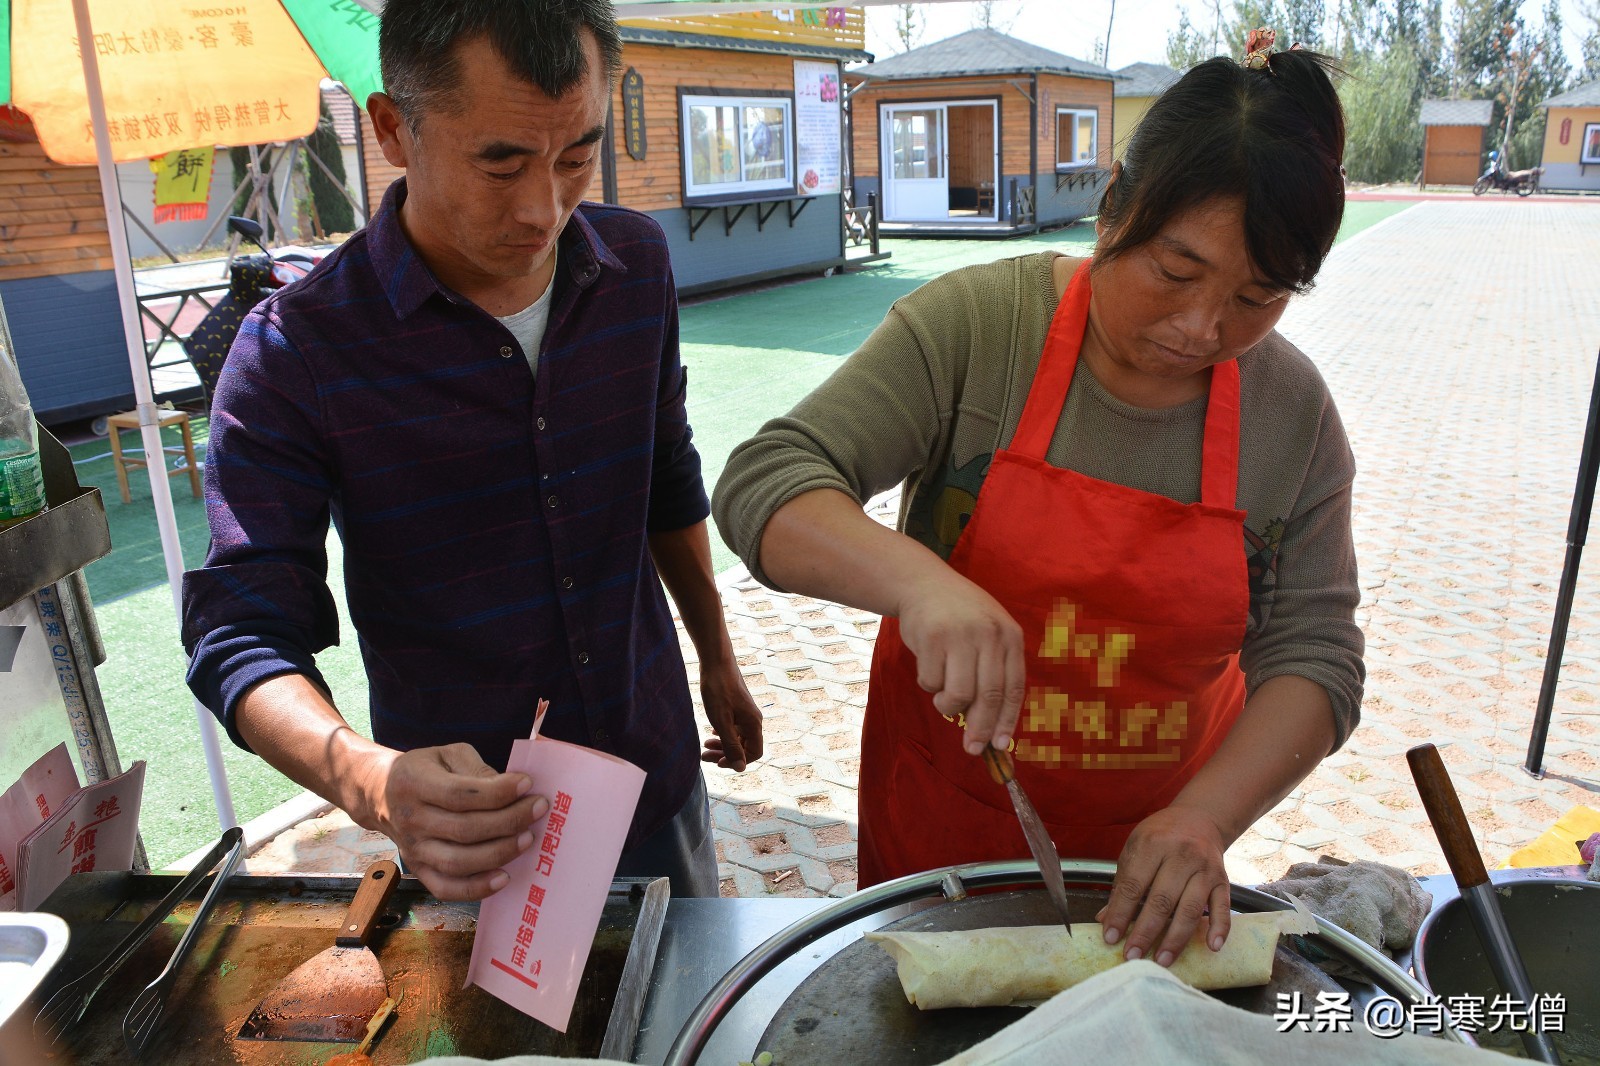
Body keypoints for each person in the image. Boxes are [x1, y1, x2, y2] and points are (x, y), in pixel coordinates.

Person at [714, 34, 1362, 967]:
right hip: (941, 838)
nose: (1200, 327)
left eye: (1256, 298)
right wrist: (920, 583)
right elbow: (766, 482)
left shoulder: (1289, 413)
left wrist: (1203, 821)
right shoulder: (982, 329)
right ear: (1113, 207)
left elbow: (1318, 652)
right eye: (1175, 273)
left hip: (1152, 875)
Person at [181, 0, 762, 902]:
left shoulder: (636, 267)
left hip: (653, 752)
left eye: (577, 155)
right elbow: (241, 630)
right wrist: (370, 782)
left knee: (682, 1024)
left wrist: (714, 655)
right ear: (392, 130)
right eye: (500, 162)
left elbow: (663, 469)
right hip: (474, 828)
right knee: (510, 1048)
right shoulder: (297, 352)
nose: (544, 209)